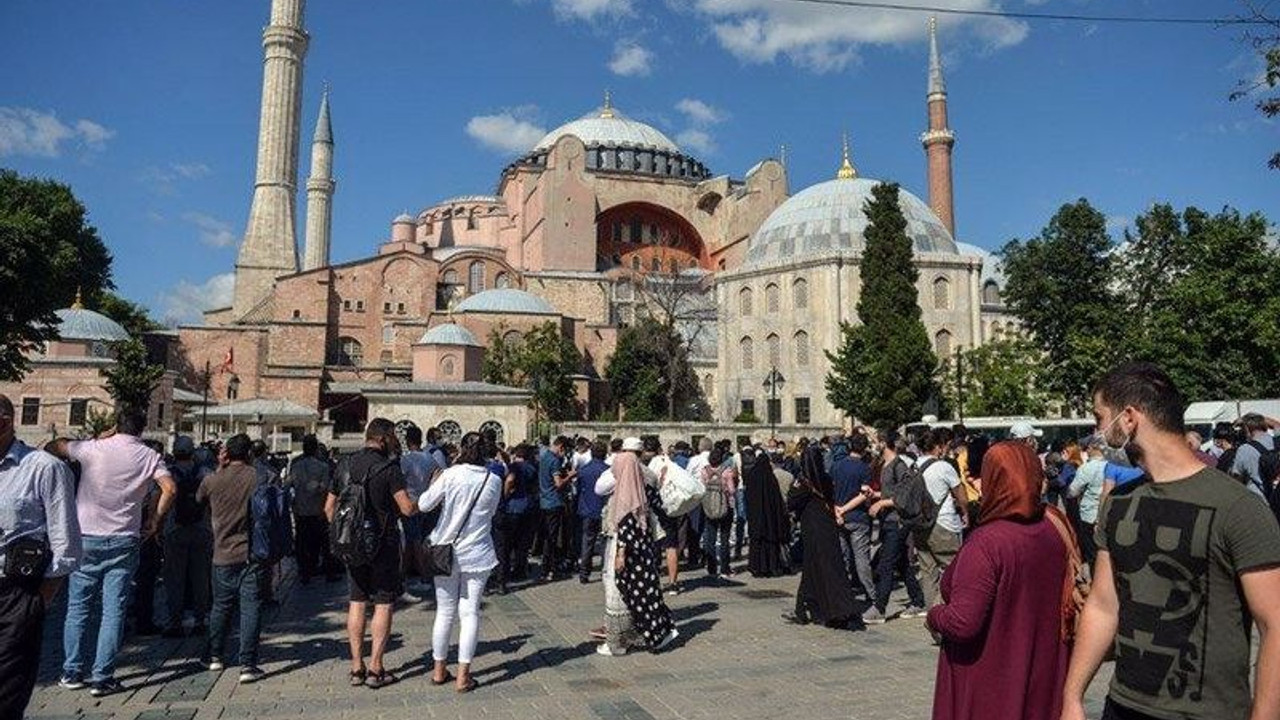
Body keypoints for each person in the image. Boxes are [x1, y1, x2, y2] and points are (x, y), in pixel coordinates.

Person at [1062, 362, 1280, 720]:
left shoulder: (1238, 506)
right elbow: (1103, 605)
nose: (1097, 431)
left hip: (1209, 712)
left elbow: (1274, 625)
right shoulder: (1119, 503)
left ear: (1129, 418)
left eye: (1100, 417)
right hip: (1124, 706)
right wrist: (1072, 697)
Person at [927, 441, 1079, 720]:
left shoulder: (987, 543)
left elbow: (962, 622)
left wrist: (934, 616)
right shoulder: (1054, 523)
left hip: (991, 680)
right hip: (1042, 672)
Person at [55, 407, 176, 696]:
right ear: (142, 429)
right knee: (113, 610)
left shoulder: (93, 448)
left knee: (78, 608)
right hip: (123, 538)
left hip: (86, 536)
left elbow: (55, 445)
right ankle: (102, 676)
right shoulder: (148, 455)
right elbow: (169, 488)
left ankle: (71, 671)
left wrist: (100, 436)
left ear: (115, 425)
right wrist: (154, 521)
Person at [0, 394, 82, 719]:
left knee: (5, 697)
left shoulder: (43, 469)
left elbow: (67, 547)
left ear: (5, 423)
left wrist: (36, 604)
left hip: (14, 596)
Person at [325, 418, 417, 689]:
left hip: (352, 546)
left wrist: (342, 535)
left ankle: (356, 666)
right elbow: (406, 508)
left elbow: (328, 508)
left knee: (356, 601)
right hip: (382, 545)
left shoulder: (344, 464)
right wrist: (422, 504)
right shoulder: (389, 468)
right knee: (384, 603)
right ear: (384, 437)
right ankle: (376, 667)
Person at [417, 431, 501, 693]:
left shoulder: (451, 474)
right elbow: (492, 513)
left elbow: (423, 505)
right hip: (478, 552)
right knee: (470, 612)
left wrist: (435, 483)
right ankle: (464, 676)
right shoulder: (494, 480)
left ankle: (439, 670)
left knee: (445, 611)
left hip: (446, 551)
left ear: (462, 449)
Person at [196, 434, 269, 683]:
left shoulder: (212, 480)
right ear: (249, 453)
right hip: (251, 553)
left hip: (222, 553)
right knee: (251, 608)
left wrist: (220, 467)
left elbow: (199, 500)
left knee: (221, 606)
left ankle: (215, 655)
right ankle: (247, 663)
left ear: (226, 453)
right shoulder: (257, 477)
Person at [607, 449, 679, 652]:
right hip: (645, 551)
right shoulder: (641, 488)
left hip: (633, 555)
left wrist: (621, 553)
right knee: (648, 592)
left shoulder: (626, 495)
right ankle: (660, 629)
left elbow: (626, 529)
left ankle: (655, 635)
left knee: (638, 595)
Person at [784, 447, 857, 628]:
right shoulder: (825, 479)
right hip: (827, 527)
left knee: (814, 567)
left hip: (812, 530)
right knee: (824, 567)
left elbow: (791, 503)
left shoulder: (804, 484)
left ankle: (831, 610)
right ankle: (804, 609)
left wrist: (794, 488)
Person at [864, 430, 927, 625]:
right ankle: (918, 601)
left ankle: (880, 608)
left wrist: (881, 503)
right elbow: (890, 492)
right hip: (888, 521)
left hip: (897, 522)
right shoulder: (886, 465)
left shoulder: (898, 466)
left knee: (886, 564)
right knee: (903, 564)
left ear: (884, 443)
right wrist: (874, 494)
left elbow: (904, 496)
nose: (874, 446)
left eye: (876, 442)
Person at [162, 435, 213, 638]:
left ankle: (175, 621)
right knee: (200, 576)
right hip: (202, 529)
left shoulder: (168, 474)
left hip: (175, 529)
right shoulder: (205, 473)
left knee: (175, 578)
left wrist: (157, 524)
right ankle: (200, 619)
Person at [916, 428, 968, 609]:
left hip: (920, 525)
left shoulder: (913, 466)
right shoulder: (943, 467)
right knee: (954, 569)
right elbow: (961, 496)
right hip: (943, 524)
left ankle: (933, 615)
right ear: (938, 447)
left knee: (928, 572)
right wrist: (965, 512)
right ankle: (954, 611)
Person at [285, 434, 337, 586]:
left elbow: (288, 486)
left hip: (301, 511)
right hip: (318, 511)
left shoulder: (295, 466)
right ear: (315, 448)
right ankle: (329, 572)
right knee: (324, 544)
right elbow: (327, 489)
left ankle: (305, 573)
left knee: (302, 543)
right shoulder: (323, 467)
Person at [398, 425, 440, 595]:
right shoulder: (429, 459)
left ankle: (424, 577)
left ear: (407, 441)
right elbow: (438, 476)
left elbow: (399, 481)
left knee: (413, 541)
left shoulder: (405, 460)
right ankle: (407, 575)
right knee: (419, 540)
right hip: (425, 503)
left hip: (410, 504)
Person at [832, 434, 875, 600]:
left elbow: (831, 491)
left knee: (842, 557)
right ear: (864, 449)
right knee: (861, 558)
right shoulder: (864, 468)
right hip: (858, 517)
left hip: (839, 517)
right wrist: (844, 509)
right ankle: (871, 594)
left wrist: (838, 510)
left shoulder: (836, 466)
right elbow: (864, 494)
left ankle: (842, 591)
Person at [741, 448, 790, 578]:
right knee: (770, 541)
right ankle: (772, 566)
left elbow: (748, 497)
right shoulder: (771, 478)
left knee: (757, 542)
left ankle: (756, 568)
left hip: (756, 517)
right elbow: (777, 500)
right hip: (770, 518)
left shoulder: (752, 476)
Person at [1065, 437, 1107, 566]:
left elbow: (1073, 491)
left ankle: (1096, 581)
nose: (1085, 451)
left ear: (1092, 448)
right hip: (1108, 513)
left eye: (1087, 448)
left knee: (1093, 553)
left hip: (1090, 515)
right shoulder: (1113, 466)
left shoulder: (1087, 468)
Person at [537, 436, 571, 581]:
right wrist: (570, 476)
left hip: (543, 501)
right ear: (561, 447)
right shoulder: (555, 460)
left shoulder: (544, 457)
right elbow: (558, 483)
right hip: (554, 502)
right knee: (553, 538)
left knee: (545, 537)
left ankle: (546, 568)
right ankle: (549, 569)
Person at [575, 442, 609, 584]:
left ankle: (584, 573)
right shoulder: (608, 470)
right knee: (605, 543)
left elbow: (578, 489)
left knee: (587, 542)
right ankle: (605, 571)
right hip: (604, 510)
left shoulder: (583, 470)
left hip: (587, 509)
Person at [1230, 412, 1277, 500]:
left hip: (1259, 502)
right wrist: (1257, 420)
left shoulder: (1244, 449)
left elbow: (1236, 477)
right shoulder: (1277, 442)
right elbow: (1276, 424)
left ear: (1247, 429)